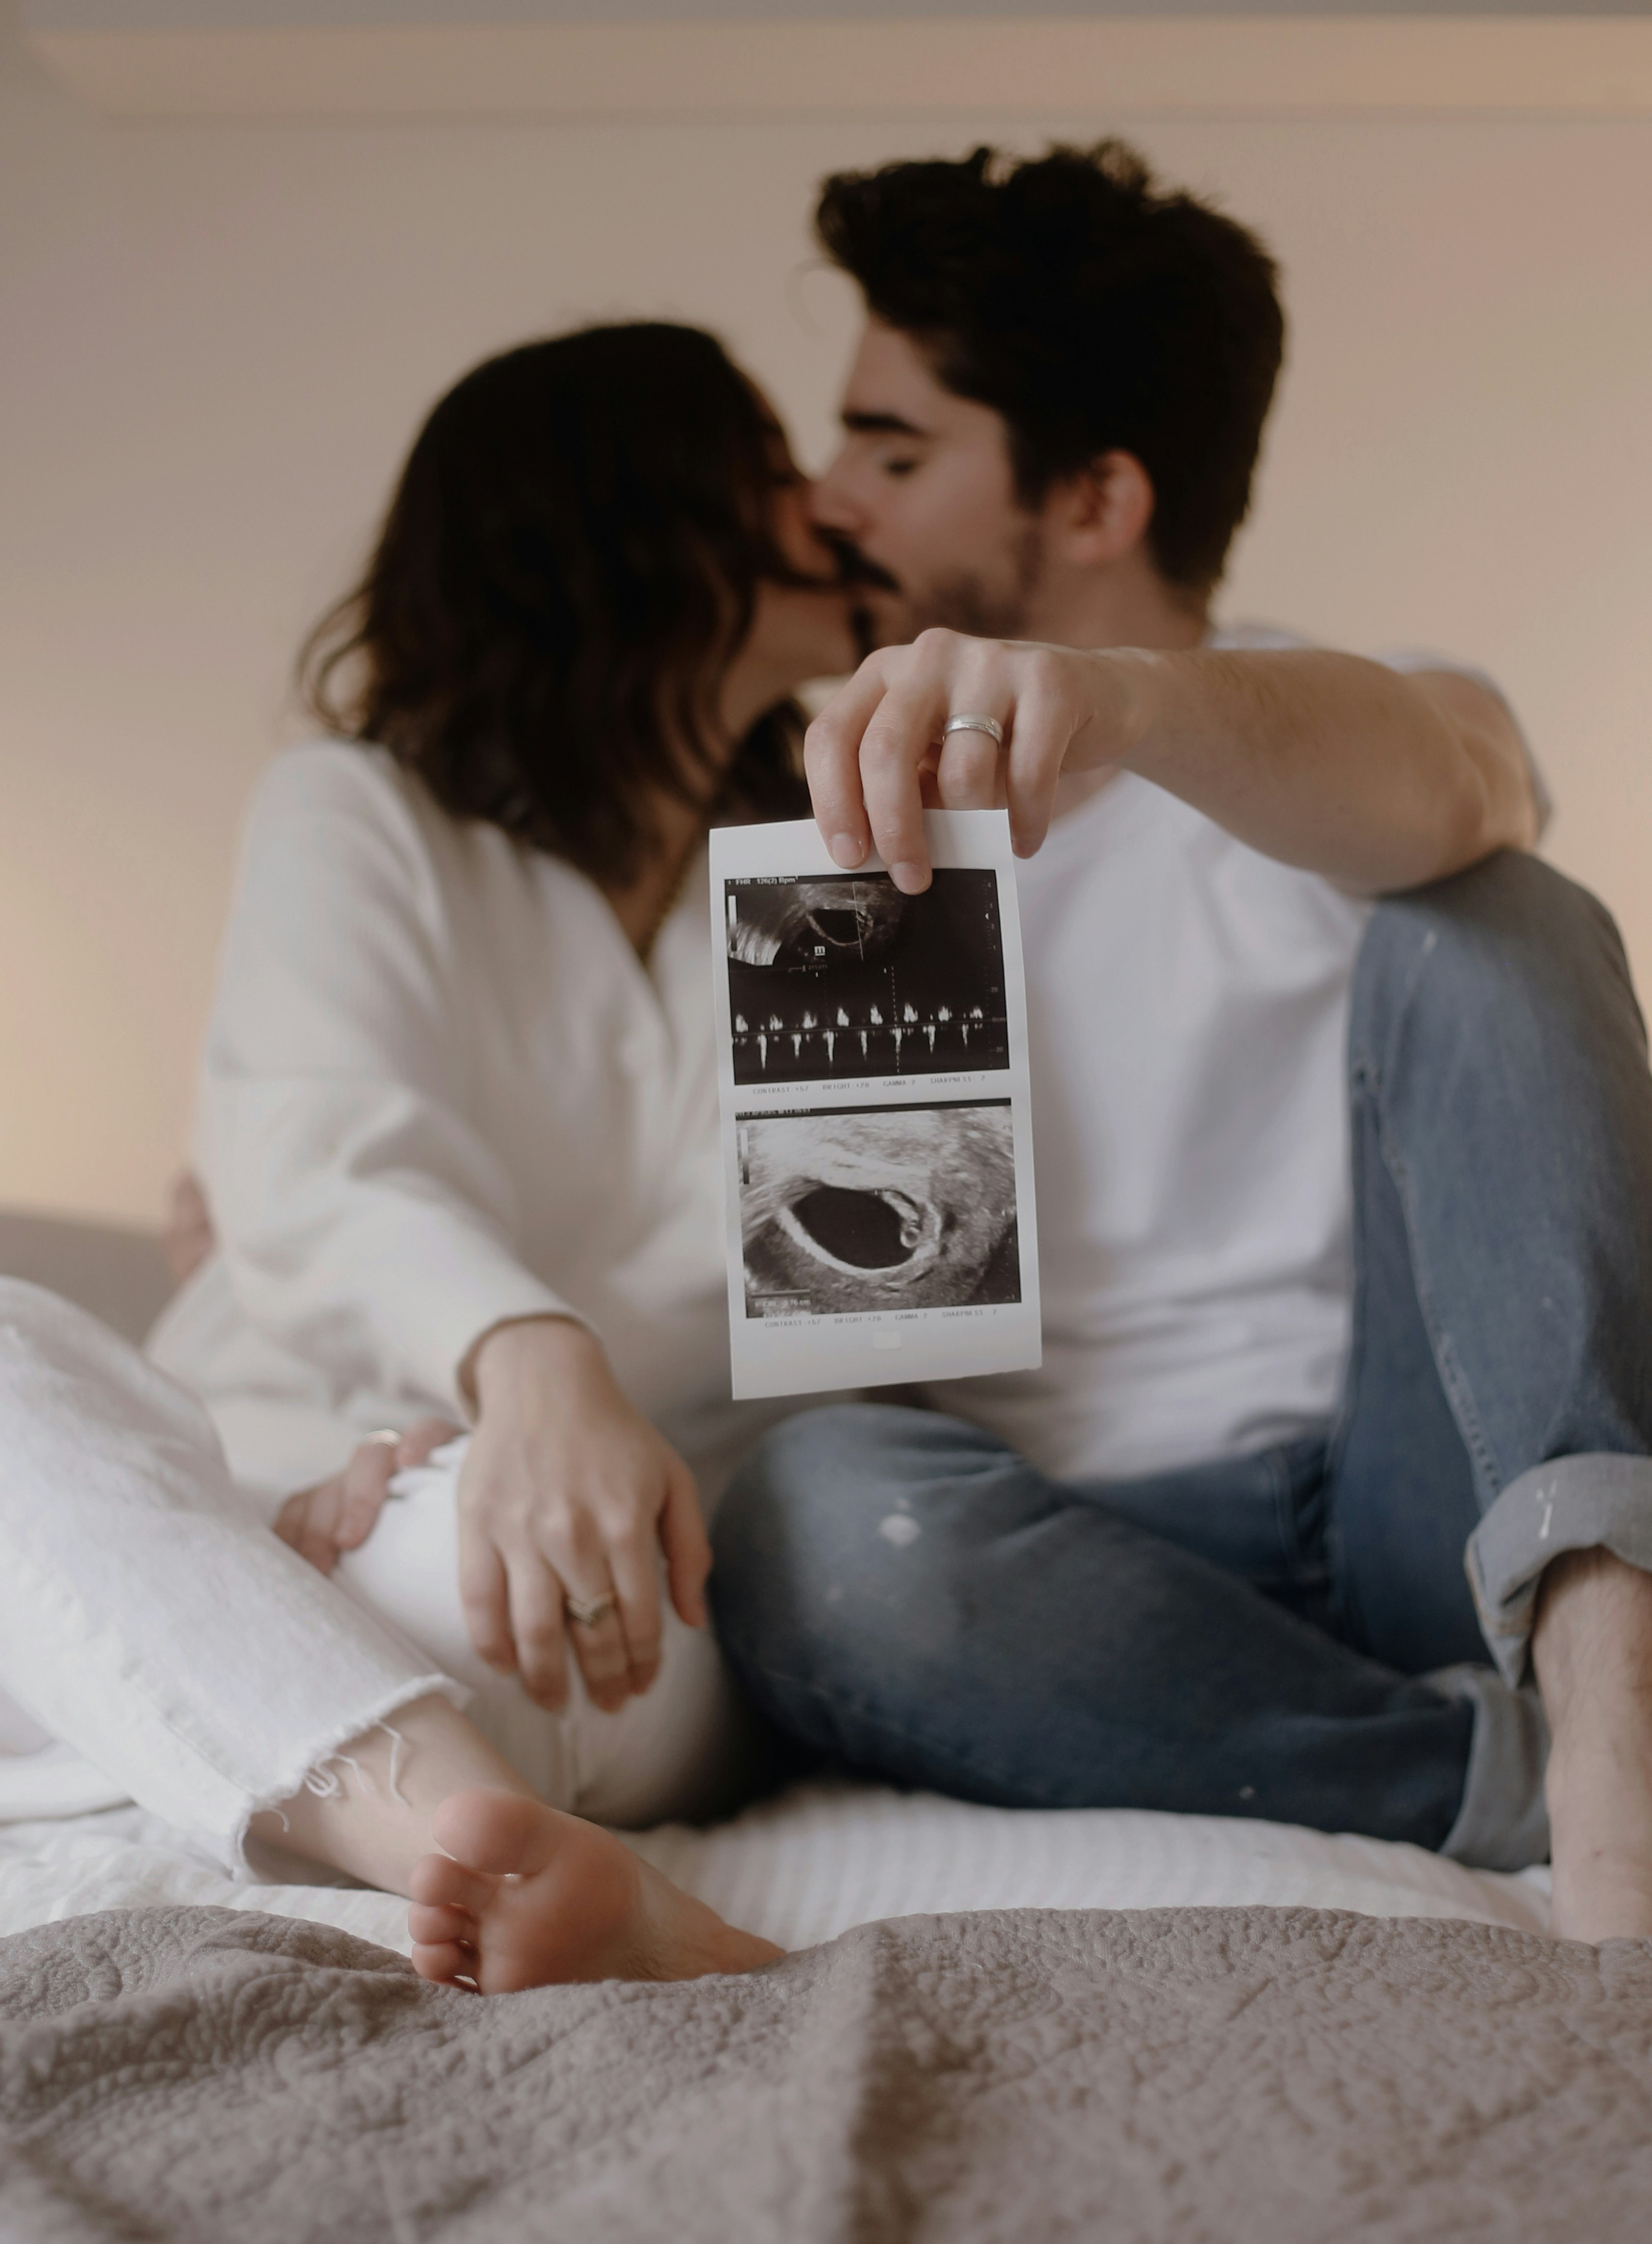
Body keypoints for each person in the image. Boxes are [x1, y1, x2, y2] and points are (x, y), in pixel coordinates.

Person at [706, 142, 1652, 1944]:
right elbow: (880, 1349)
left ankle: (1619, 1713)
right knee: (807, 1516)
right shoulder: (838, 797)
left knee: (1502, 912)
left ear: (1099, 499)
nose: (828, 497)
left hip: (1426, 1500)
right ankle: (1478, 1775)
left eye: (894, 452)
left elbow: (1466, 778)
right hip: (1095, 1555)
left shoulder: (1345, 724)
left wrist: (1128, 715)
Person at [1, 319, 861, 1990]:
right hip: (231, 1485)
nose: (824, 506)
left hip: (576, 1547)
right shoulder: (358, 811)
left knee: (490, 1577)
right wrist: (526, 1357)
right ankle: (449, 1832)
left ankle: (245, 1738)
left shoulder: (847, 878)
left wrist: (484, 1436)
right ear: (632, 531)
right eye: (766, 473)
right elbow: (319, 1156)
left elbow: (865, 1295)